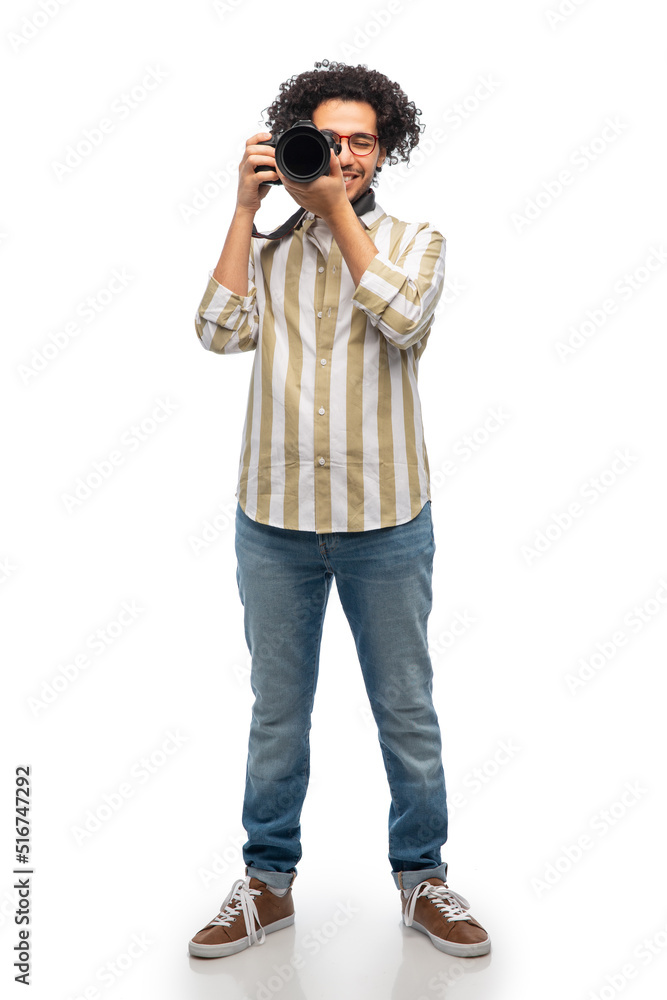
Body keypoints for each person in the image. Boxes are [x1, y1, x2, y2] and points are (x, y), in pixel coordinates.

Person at [188, 59, 490, 961]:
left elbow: (402, 318)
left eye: (363, 141)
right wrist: (246, 211)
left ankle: (422, 880)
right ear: (296, 141)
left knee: (404, 706)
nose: (347, 155)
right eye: (331, 139)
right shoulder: (271, 251)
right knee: (276, 710)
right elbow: (215, 330)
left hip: (386, 521)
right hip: (273, 520)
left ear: (384, 150)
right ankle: (266, 885)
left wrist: (328, 213)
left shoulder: (416, 240)